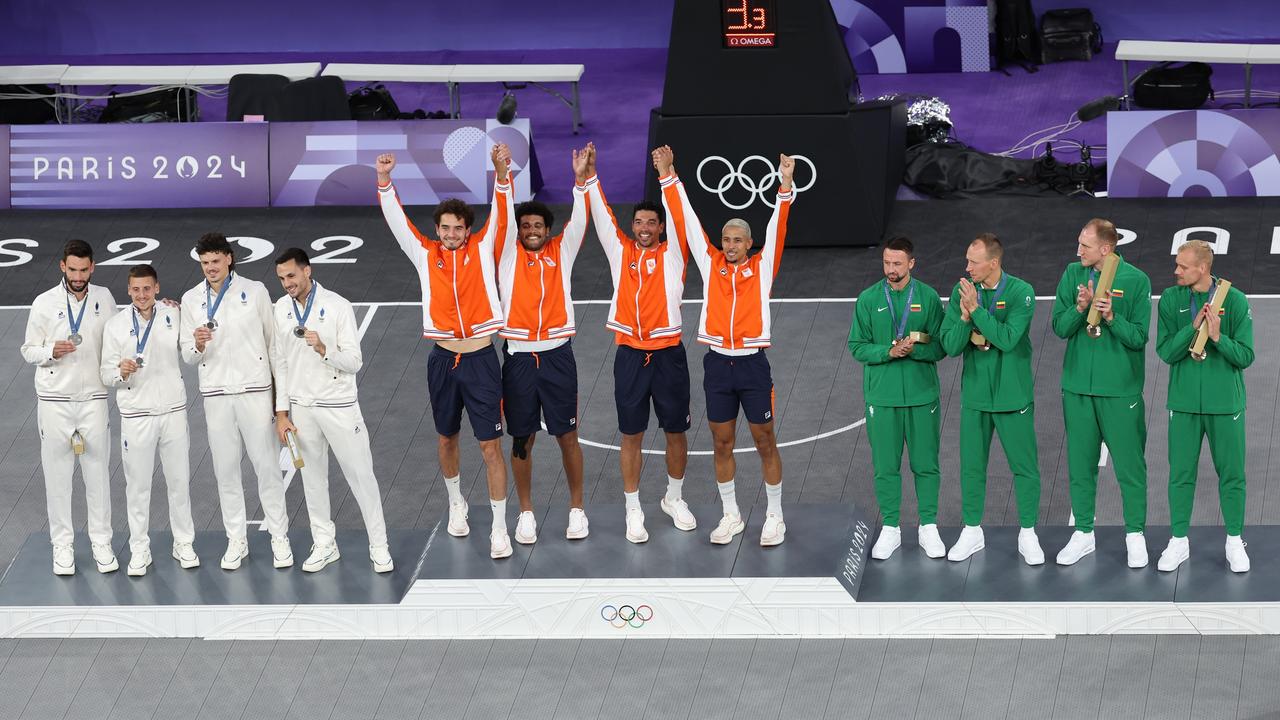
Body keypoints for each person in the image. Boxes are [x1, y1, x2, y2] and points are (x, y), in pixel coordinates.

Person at [376, 145, 515, 559]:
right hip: (441, 360)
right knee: (446, 438)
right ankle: (457, 503)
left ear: (469, 230)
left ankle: (499, 526)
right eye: (445, 228)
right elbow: (397, 222)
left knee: (490, 445)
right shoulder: (425, 255)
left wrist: (501, 172)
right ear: (437, 230)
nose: (451, 234)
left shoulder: (483, 248)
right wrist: (384, 182)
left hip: (481, 360)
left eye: (457, 228)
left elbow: (503, 211)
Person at [655, 145, 794, 546]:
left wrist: (785, 183)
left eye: (737, 240)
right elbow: (686, 217)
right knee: (721, 441)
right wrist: (669, 174)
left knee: (765, 439)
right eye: (726, 240)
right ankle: (730, 514)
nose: (730, 245)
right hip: (717, 365)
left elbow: (778, 224)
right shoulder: (711, 263)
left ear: (749, 244)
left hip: (752, 365)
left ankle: (775, 516)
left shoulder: (763, 267)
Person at [586, 146, 695, 544]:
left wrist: (668, 173)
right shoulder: (621, 252)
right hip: (630, 355)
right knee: (631, 435)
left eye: (652, 222)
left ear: (661, 228)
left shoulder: (674, 255)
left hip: (669, 355)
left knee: (675, 432)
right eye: (639, 222)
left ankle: (674, 497)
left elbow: (681, 215)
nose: (645, 227)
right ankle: (633, 509)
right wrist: (591, 175)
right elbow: (601, 217)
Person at [271, 248, 394, 573]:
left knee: (360, 477)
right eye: (282, 278)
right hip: (302, 408)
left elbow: (354, 362)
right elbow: (280, 364)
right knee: (312, 480)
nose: (287, 284)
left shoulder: (338, 306)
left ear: (307, 271)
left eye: (292, 276)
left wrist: (325, 349)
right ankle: (325, 543)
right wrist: (282, 413)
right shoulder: (280, 310)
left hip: (339, 407)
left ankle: (379, 545)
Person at [496, 145, 593, 543]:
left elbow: (583, 218)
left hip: (557, 358)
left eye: (538, 226)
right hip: (518, 361)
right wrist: (503, 178)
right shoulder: (505, 257)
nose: (532, 231)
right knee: (523, 438)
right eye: (526, 226)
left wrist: (581, 180)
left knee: (567, 436)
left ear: (548, 231)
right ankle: (526, 514)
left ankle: (576, 510)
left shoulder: (561, 252)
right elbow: (501, 218)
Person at [181, 232, 292, 570]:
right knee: (226, 471)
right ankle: (236, 540)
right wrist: (197, 344)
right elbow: (187, 355)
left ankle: (279, 538)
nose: (210, 268)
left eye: (215, 261)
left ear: (229, 259)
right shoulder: (190, 299)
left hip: (255, 393)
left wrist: (280, 403)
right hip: (216, 396)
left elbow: (275, 347)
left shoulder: (255, 291)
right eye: (204, 263)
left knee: (267, 469)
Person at [1051, 219, 1152, 568]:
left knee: (1130, 466)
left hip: (1120, 390)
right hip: (1077, 387)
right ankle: (1083, 533)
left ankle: (1135, 535)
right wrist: (1080, 308)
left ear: (1106, 249)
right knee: (1080, 465)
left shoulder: (1137, 281)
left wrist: (1110, 316)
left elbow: (1138, 338)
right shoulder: (1071, 275)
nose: (1078, 250)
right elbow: (1059, 329)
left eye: (1085, 245)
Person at [939, 233, 1044, 565]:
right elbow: (951, 347)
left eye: (973, 261)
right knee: (971, 468)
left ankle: (1028, 533)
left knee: (1024, 469)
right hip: (975, 397)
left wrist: (977, 312)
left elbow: (1008, 339)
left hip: (1013, 397)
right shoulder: (962, 293)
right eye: (967, 260)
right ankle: (972, 531)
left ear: (993, 263)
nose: (967, 267)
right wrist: (963, 317)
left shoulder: (1021, 292)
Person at [1154, 239, 1253, 573]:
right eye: (1177, 265)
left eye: (1183, 266)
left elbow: (1246, 356)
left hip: (1226, 405)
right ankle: (1178, 541)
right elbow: (1166, 352)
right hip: (1183, 404)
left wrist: (1217, 338)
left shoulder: (1235, 301)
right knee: (1180, 475)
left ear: (1203, 268)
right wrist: (1193, 327)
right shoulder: (1170, 299)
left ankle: (1235, 541)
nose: (1176, 271)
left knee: (1232, 476)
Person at [21, 239, 118, 575]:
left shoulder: (104, 298)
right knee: (58, 478)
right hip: (55, 402)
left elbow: (120, 336)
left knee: (98, 476)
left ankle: (101, 543)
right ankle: (62, 546)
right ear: (62, 266)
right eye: (72, 269)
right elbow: (28, 350)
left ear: (92, 267)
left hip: (93, 399)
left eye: (84, 269)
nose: (78, 276)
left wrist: (161, 308)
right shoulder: (43, 303)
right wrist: (51, 350)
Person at [848, 237, 947, 560]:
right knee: (885, 467)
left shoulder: (929, 298)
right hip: (883, 397)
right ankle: (890, 527)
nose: (891, 270)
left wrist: (914, 350)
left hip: (922, 395)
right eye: (887, 263)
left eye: (897, 264)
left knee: (926, 465)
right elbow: (857, 346)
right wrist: (889, 352)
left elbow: (942, 347)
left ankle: (928, 526)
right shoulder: (868, 299)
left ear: (912, 264)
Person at [100, 265, 199, 576]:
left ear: (157, 288)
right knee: (138, 487)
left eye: (147, 289)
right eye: (135, 289)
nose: (141, 295)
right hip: (136, 416)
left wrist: (194, 331)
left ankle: (183, 542)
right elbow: (106, 374)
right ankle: (139, 548)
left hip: (172, 411)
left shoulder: (174, 315)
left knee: (179, 482)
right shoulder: (115, 326)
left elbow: (190, 354)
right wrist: (121, 372)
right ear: (128, 291)